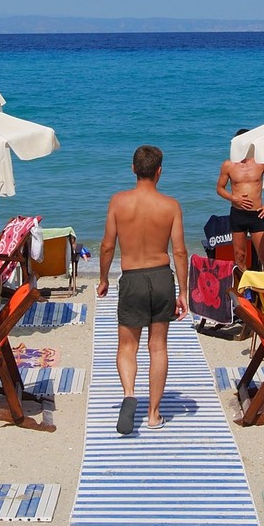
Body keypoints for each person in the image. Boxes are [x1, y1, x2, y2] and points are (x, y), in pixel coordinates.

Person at [98, 144, 189, 434]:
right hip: (162, 276)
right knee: (158, 347)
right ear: (159, 171)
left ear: (133, 168)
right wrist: (183, 291)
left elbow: (107, 245)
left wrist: (103, 279)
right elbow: (180, 252)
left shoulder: (118, 202)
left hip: (133, 278)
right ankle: (153, 414)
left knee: (127, 345)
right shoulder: (171, 205)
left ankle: (128, 395)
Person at [215, 132, 264, 273]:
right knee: (240, 256)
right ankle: (245, 288)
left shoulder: (261, 163)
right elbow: (219, 188)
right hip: (238, 214)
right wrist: (234, 198)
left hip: (257, 214)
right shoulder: (228, 165)